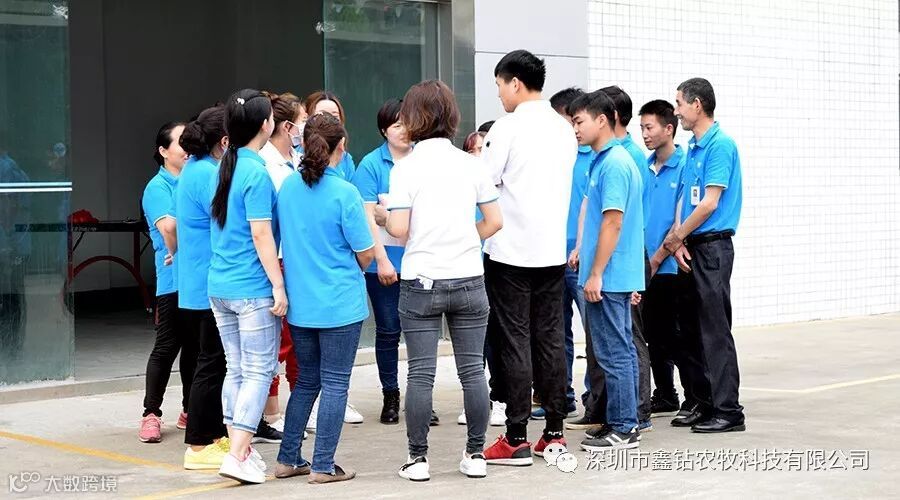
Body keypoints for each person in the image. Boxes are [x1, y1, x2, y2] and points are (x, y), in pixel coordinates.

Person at [386, 80, 503, 481]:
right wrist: (466, 237)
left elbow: (398, 229)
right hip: (469, 277)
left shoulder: (405, 168)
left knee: (421, 374)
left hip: (421, 280)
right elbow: (494, 221)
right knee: (472, 371)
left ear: (413, 118)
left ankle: (418, 460)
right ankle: (475, 454)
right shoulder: (472, 164)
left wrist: (383, 216)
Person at [480, 49, 576, 465]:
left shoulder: (507, 128)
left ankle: (516, 435)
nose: (499, 93)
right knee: (550, 338)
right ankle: (554, 433)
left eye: (500, 85)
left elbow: (484, 183)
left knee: (514, 340)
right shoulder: (563, 129)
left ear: (515, 82)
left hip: (510, 253)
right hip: (551, 251)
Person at [275, 113, 374, 484]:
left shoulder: (288, 187)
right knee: (335, 383)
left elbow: (278, 236)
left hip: (301, 304)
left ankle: (288, 458)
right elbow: (365, 252)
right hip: (339, 304)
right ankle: (322, 465)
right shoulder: (345, 193)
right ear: (340, 146)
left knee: (307, 381)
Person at [208, 89, 287, 484]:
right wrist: (278, 285)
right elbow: (261, 234)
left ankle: (238, 447)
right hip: (251, 287)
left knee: (237, 368)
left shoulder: (225, 166)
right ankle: (238, 453)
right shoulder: (256, 172)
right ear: (265, 125)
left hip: (220, 285)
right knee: (258, 371)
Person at [658, 77, 745, 433]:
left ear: (697, 104)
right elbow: (686, 199)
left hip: (712, 247)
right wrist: (679, 241)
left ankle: (729, 410)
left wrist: (679, 236)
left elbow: (709, 203)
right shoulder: (692, 148)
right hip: (691, 246)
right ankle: (703, 402)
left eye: (679, 103)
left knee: (714, 329)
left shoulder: (720, 145)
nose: (676, 110)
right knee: (690, 330)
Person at [569, 90, 645, 451]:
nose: (575, 129)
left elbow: (613, 222)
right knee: (617, 350)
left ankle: (625, 426)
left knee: (614, 352)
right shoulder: (605, 160)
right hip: (612, 274)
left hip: (610, 276)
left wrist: (596, 272)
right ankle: (621, 421)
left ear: (602, 120)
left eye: (579, 121)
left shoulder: (614, 163)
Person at [528, 87, 593, 425]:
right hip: (552, 253)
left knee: (594, 332)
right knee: (555, 332)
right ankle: (559, 397)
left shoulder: (594, 156)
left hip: (582, 256)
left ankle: (595, 400)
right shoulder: (552, 156)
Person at [176, 106, 233, 469]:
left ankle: (212, 436)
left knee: (209, 362)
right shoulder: (209, 174)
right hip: (208, 281)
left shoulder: (194, 169)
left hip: (196, 280)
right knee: (211, 364)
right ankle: (198, 445)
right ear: (224, 141)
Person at [350, 98, 413, 425]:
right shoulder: (371, 165)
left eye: (408, 123)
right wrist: (382, 260)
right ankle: (391, 395)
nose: (404, 130)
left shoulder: (422, 159)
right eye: (396, 125)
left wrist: (386, 215)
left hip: (419, 260)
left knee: (418, 333)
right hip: (383, 265)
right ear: (384, 130)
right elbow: (366, 218)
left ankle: (420, 398)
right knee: (389, 330)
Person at [636, 99, 695, 418]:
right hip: (646, 264)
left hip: (670, 265)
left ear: (669, 128)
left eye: (649, 127)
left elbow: (680, 221)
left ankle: (692, 398)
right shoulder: (644, 166)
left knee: (677, 335)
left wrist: (658, 257)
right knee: (653, 334)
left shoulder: (685, 165)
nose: (644, 134)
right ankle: (665, 393)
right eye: (641, 128)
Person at [139, 121, 197, 444]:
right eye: (180, 142)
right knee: (167, 347)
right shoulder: (157, 188)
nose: (187, 148)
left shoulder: (193, 179)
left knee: (195, 348)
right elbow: (168, 230)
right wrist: (183, 251)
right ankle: (151, 413)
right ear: (163, 151)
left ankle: (190, 410)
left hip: (196, 279)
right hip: (173, 280)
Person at [598, 85, 652, 431]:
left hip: (624, 259)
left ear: (610, 117)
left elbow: (622, 220)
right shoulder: (609, 157)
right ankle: (622, 414)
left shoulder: (625, 158)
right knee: (617, 342)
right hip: (618, 259)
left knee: (627, 341)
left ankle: (636, 414)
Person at [258, 91, 306, 439]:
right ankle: (270, 412)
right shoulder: (264, 164)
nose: (306, 127)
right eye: (303, 121)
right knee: (278, 340)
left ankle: (299, 408)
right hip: (276, 258)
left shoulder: (299, 160)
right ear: (287, 126)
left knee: (299, 337)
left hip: (298, 257)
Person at [304, 91, 358, 183]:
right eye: (322, 115)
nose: (329, 122)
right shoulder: (296, 155)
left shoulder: (346, 159)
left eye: (335, 117)